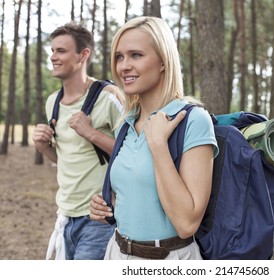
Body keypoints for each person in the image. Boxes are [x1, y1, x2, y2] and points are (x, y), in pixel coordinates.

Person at [89, 16, 219, 260]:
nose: (124, 66)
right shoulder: (125, 124)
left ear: (163, 61)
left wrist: (158, 145)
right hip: (116, 253)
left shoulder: (193, 120)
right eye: (119, 56)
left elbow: (186, 223)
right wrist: (107, 205)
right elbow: (138, 195)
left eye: (136, 55)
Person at [32, 22, 124, 260]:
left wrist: (91, 133)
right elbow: (66, 158)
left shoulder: (109, 97)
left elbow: (135, 153)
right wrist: (43, 147)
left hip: (99, 218)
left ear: (84, 55)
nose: (53, 57)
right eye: (52, 51)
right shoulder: (52, 101)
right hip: (64, 215)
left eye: (61, 51)